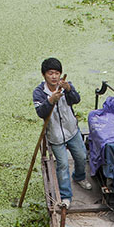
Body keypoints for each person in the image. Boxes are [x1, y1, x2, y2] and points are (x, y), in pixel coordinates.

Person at [32, 57, 92, 207]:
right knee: (63, 164)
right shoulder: (39, 93)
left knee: (81, 156)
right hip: (55, 135)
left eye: (57, 73)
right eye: (50, 73)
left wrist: (69, 90)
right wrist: (51, 100)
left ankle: (79, 177)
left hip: (71, 130)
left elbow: (76, 100)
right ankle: (66, 196)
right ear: (44, 75)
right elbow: (41, 112)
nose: (54, 77)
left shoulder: (65, 86)